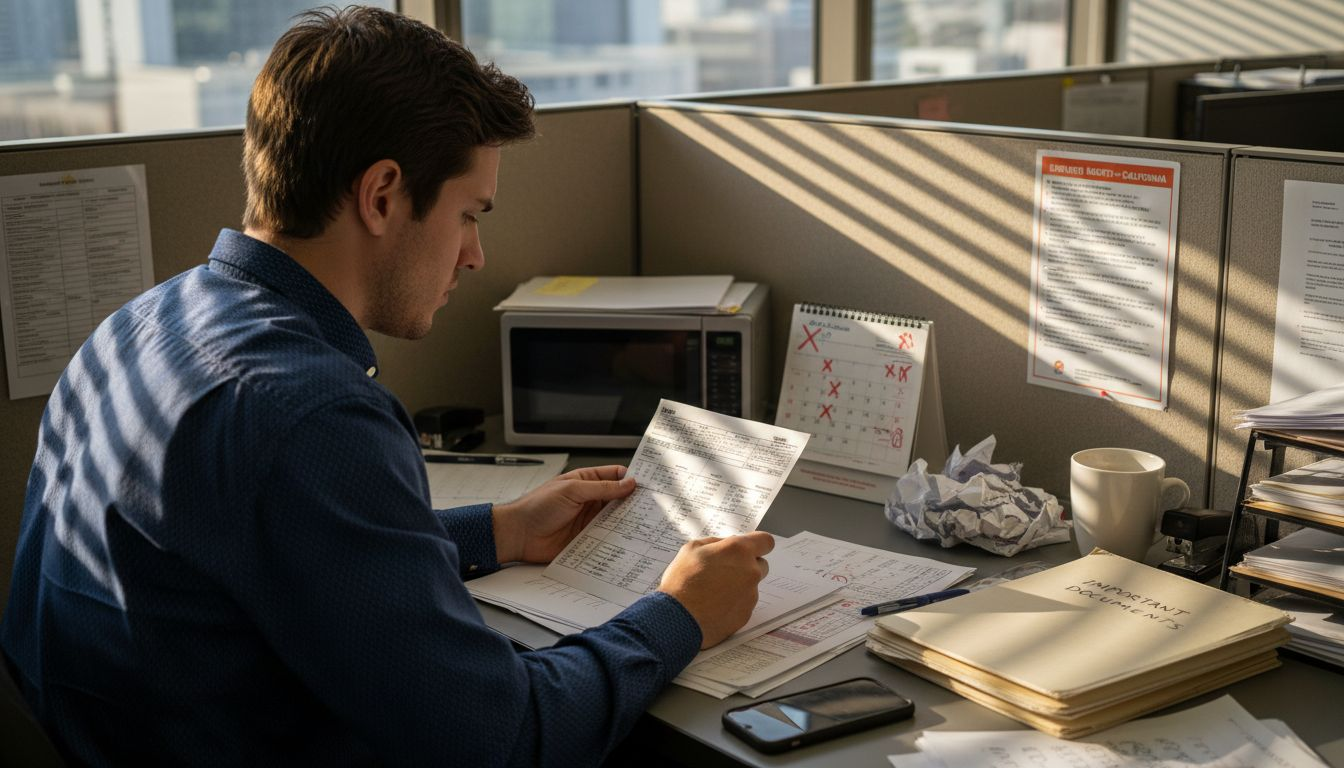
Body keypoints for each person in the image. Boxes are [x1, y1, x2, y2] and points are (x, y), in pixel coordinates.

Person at [0, 6, 773, 766]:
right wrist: (678, 616)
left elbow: (269, 557)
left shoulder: (143, 323)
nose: (474, 256)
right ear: (381, 196)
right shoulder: (308, 412)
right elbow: (504, 738)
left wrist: (498, 531)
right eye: (469, 215)